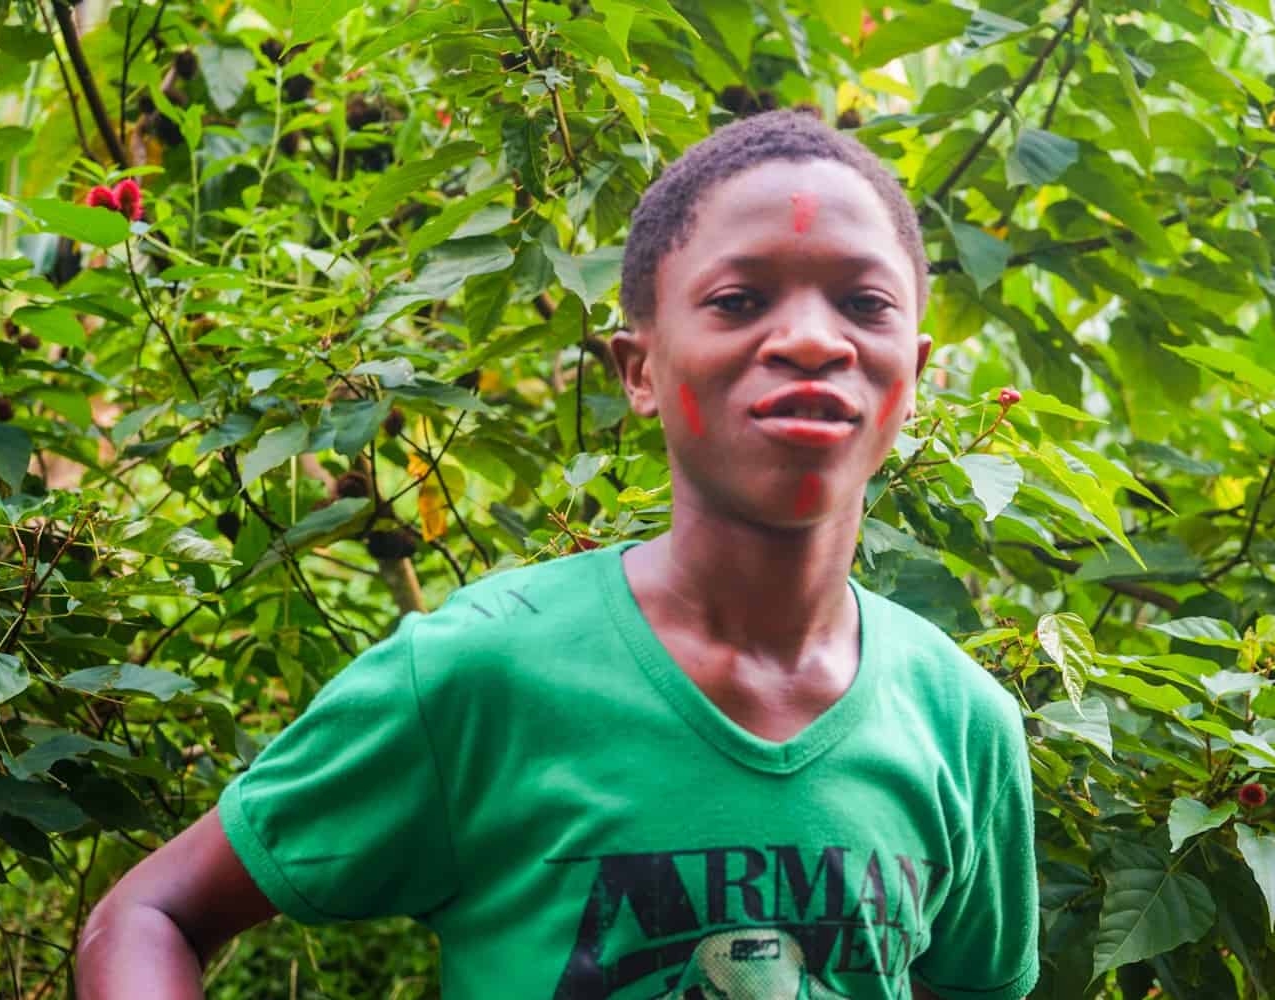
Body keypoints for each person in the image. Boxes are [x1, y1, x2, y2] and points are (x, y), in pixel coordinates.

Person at [76, 109, 1039, 1000]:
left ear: (912, 376)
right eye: (740, 300)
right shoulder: (476, 674)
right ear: (641, 371)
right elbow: (148, 915)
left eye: (863, 304)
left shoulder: (963, 725)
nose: (807, 340)